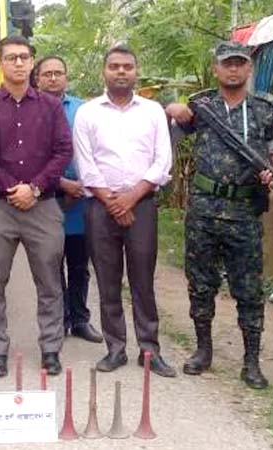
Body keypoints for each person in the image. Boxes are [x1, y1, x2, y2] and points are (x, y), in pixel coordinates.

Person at [166, 41, 273, 389]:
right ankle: (203, 350)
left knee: (248, 289)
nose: (233, 69)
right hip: (204, 209)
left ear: (249, 68)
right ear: (216, 69)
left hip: (245, 211)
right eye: (227, 63)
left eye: (239, 63)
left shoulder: (265, 109)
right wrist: (172, 108)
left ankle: (251, 362)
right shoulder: (201, 107)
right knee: (201, 284)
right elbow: (168, 130)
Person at [0, 35, 72, 377]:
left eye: (24, 57)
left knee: (50, 280)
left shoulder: (51, 107)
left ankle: (51, 348)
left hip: (43, 206)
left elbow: (63, 151)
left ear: (31, 63)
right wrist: (13, 188)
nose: (17, 63)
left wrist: (35, 188)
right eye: (11, 57)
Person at [74, 46, 176, 378]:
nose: (121, 71)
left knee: (143, 280)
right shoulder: (88, 113)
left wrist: (130, 199)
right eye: (114, 66)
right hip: (100, 206)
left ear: (136, 71)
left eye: (127, 66)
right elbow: (86, 165)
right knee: (107, 281)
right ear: (104, 72)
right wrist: (113, 202)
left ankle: (150, 350)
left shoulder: (153, 111)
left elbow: (162, 160)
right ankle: (115, 348)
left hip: (141, 205)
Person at [35, 55, 103, 344]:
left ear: (66, 76)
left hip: (80, 199)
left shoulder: (83, 110)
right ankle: (58, 320)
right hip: (45, 198)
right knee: (51, 264)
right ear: (37, 79)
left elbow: (97, 151)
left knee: (78, 264)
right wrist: (60, 183)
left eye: (58, 73)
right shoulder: (30, 108)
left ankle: (80, 319)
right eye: (47, 73)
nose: (53, 78)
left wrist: (82, 185)